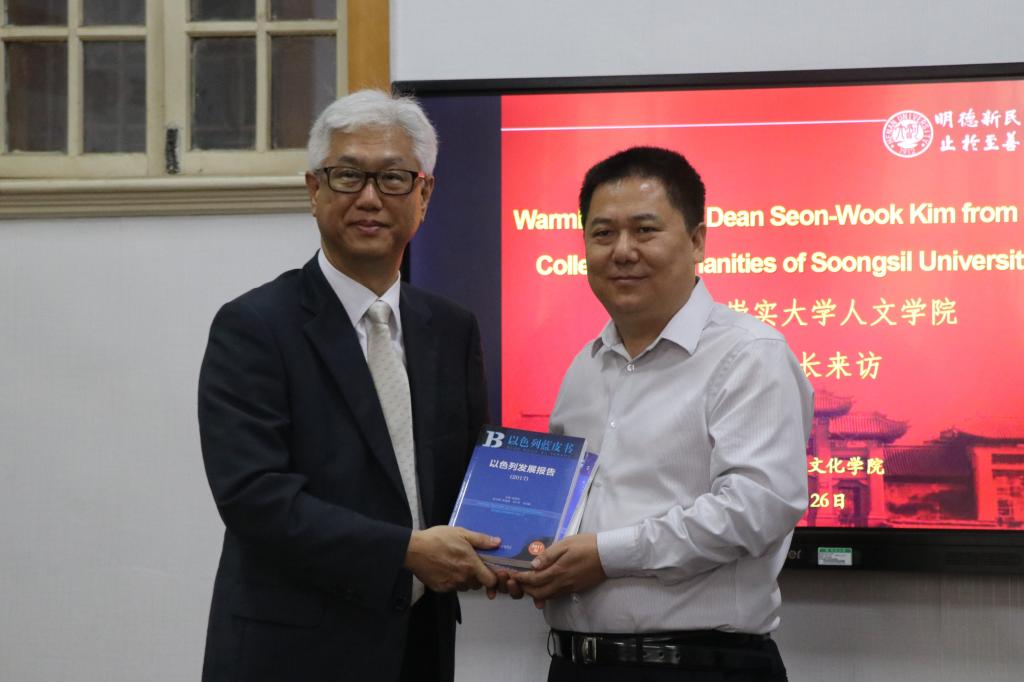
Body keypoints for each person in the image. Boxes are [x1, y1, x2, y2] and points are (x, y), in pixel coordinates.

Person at [197, 89, 499, 682]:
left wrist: (516, 546)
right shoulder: (254, 326)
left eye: (393, 178)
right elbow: (254, 497)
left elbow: (469, 477)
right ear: (314, 190)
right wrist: (405, 551)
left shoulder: (452, 328)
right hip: (292, 655)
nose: (369, 198)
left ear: (424, 195)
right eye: (347, 175)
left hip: (419, 649)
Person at [513, 146, 813, 681]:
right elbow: (563, 510)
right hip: (575, 664)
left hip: (698, 666)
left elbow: (756, 508)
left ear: (697, 241)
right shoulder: (584, 367)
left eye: (645, 230)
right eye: (603, 233)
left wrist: (606, 555)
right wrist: (525, 558)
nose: (622, 251)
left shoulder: (749, 354)